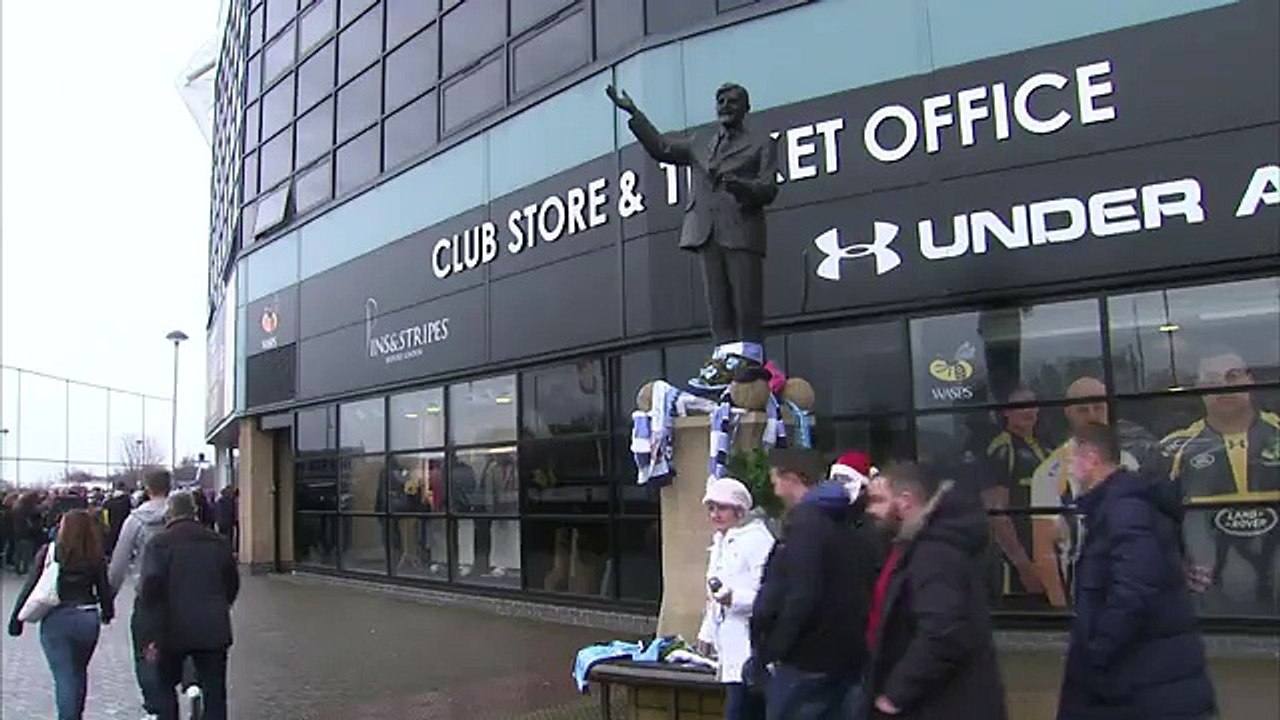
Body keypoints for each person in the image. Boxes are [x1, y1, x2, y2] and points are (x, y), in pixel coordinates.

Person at [607, 81, 779, 390]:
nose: (726, 105)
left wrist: (742, 187)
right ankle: (721, 364)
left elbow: (769, 188)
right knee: (718, 304)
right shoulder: (701, 142)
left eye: (733, 101)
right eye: (721, 100)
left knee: (746, 302)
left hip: (741, 230)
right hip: (705, 233)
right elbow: (662, 147)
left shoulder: (761, 143)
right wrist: (634, 113)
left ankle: (749, 365)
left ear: (746, 108)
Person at [1057, 424, 1216, 719]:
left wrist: (1098, 649)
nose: (1067, 470)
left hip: (1136, 681)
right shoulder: (1117, 506)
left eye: (1070, 460)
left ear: (1090, 458)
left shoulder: (1124, 509)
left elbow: (1134, 590)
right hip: (1143, 677)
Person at [862, 462, 1007, 720]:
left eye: (878, 500)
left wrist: (895, 694)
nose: (870, 510)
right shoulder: (921, 546)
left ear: (905, 501)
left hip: (943, 704)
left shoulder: (935, 554)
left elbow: (943, 633)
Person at [750, 448, 872, 720]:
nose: (776, 492)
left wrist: (772, 648)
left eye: (775, 482)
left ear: (791, 478)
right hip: (847, 657)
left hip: (806, 661)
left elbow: (800, 594)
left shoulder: (806, 525)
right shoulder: (847, 523)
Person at [1160, 348, 1279, 609]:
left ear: (1250, 380)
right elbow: (1149, 522)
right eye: (1212, 380)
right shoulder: (1174, 450)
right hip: (1209, 611)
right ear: (1199, 388)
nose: (1224, 386)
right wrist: (1172, 565)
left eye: (1233, 376)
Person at [1030, 377, 1143, 607]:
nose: (1092, 414)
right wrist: (1062, 611)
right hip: (1083, 602)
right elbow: (1044, 553)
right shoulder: (1050, 473)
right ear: (1068, 413)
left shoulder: (1129, 462)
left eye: (1098, 406)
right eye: (1083, 409)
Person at [139, 491, 240, 720]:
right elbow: (231, 584)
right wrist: (220, 606)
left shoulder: (159, 544)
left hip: (171, 630)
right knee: (215, 692)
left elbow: (150, 591)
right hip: (212, 628)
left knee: (165, 687)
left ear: (169, 513)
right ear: (194, 512)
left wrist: (149, 636)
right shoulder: (218, 542)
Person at [8, 510, 115, 720]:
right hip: (87, 617)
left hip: (57, 618)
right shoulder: (95, 555)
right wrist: (107, 613)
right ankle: (76, 714)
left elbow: (30, 586)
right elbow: (104, 589)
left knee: (64, 676)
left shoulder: (50, 552)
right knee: (79, 671)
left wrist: (16, 619)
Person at [696, 477, 774, 720]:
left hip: (752, 648)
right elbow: (713, 595)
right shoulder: (721, 541)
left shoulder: (759, 541)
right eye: (711, 508)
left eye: (722, 508)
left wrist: (735, 599)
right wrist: (706, 633)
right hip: (729, 649)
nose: (715, 514)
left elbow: (770, 595)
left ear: (739, 510)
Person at [108, 468, 172, 717]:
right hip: (181, 595)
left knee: (146, 655)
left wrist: (108, 599)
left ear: (146, 487)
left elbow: (119, 563)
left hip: (148, 598)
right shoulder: (185, 517)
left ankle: (156, 707)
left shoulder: (135, 520)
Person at [984, 386, 1050, 600]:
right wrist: (1024, 566)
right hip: (1016, 566)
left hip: (1048, 556)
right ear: (1006, 412)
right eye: (1020, 406)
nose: (1028, 411)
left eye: (1032, 404)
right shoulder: (1003, 448)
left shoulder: (1044, 448)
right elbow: (996, 515)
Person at [102, 481, 133, 555]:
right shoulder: (128, 500)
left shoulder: (107, 502)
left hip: (112, 528)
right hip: (124, 527)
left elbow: (105, 516)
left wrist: (106, 526)